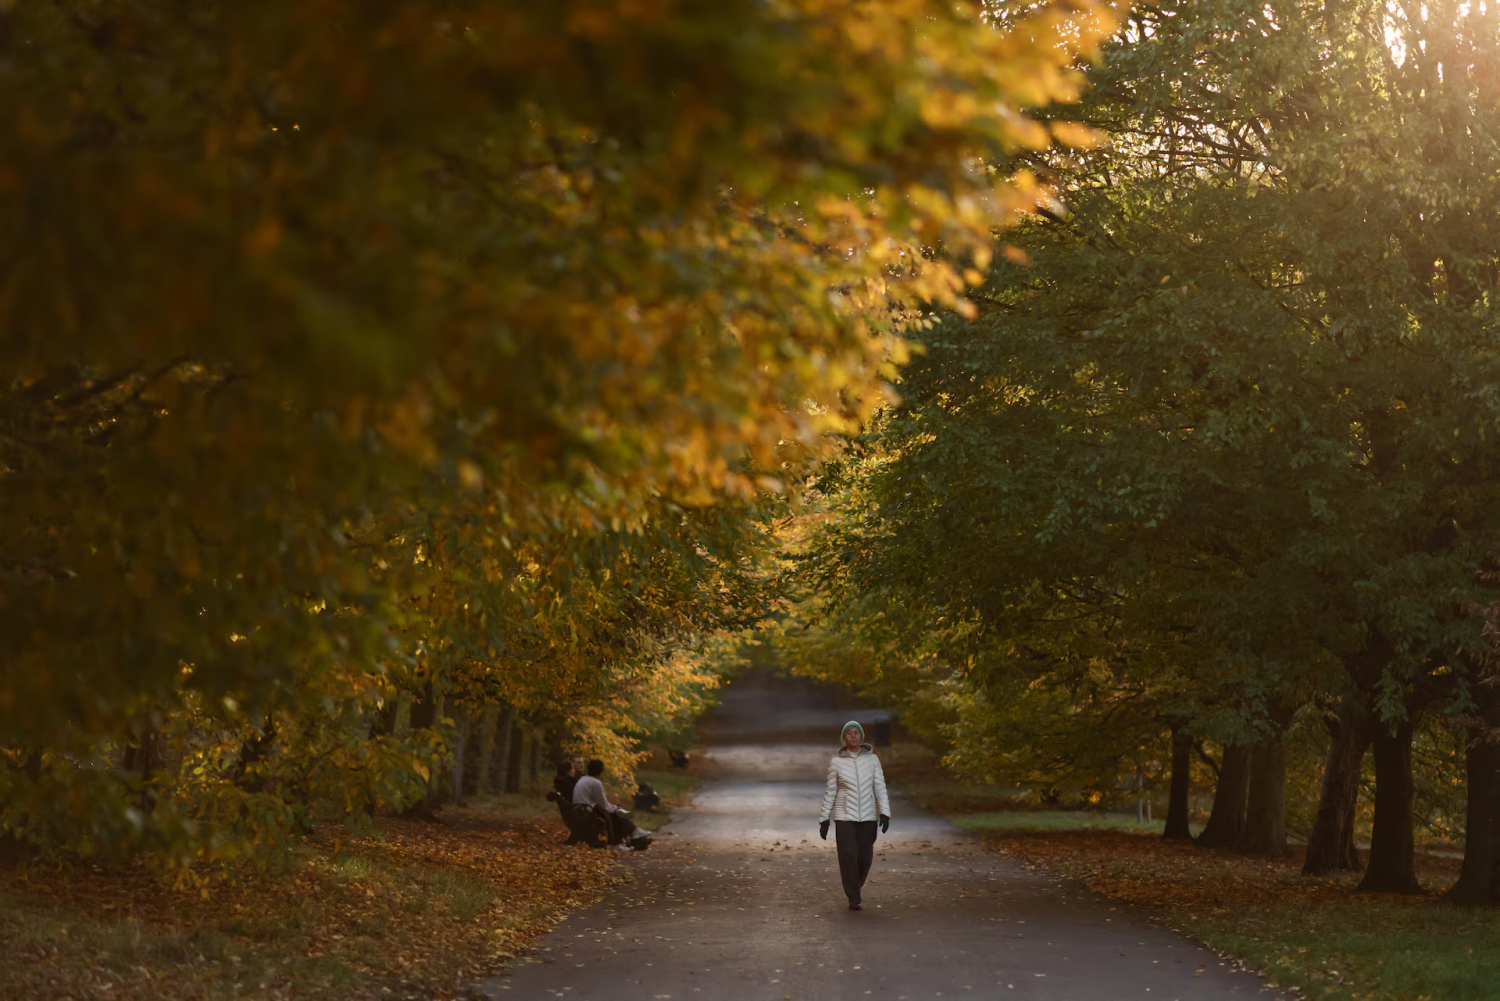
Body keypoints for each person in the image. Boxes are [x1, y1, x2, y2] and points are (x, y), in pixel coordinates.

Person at [818, 720, 890, 910]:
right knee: (848, 856)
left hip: (869, 816)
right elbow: (831, 791)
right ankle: (853, 896)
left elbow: (880, 787)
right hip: (844, 816)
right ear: (844, 738)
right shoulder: (837, 762)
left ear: (861, 736)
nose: (852, 736)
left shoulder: (872, 760)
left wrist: (885, 813)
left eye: (856, 732)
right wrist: (824, 819)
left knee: (864, 858)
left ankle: (855, 886)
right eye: (848, 733)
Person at [572, 759, 653, 851]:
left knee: (616, 812)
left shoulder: (584, 779)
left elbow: (599, 802)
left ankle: (633, 832)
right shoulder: (595, 782)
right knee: (615, 814)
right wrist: (616, 808)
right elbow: (603, 804)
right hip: (588, 811)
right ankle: (621, 840)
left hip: (581, 810)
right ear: (601, 770)